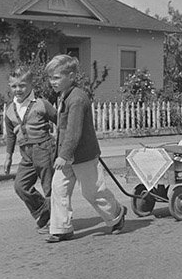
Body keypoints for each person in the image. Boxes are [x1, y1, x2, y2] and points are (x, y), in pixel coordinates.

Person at [45, 54, 126, 244]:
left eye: (56, 77)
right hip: (65, 156)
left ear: (71, 76)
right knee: (59, 190)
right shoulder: (63, 96)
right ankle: (61, 228)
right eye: (50, 78)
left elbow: (74, 131)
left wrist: (63, 155)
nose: (52, 82)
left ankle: (116, 214)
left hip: (83, 155)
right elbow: (64, 126)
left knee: (93, 192)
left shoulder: (78, 99)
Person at [2, 66, 57, 230]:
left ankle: (56, 221)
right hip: (26, 155)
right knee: (20, 186)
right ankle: (43, 210)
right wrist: (8, 157)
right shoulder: (10, 109)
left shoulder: (41, 104)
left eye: (22, 85)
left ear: (31, 85)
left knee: (49, 187)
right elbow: (11, 134)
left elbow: (60, 122)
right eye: (14, 86)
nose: (18, 90)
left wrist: (61, 146)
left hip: (44, 149)